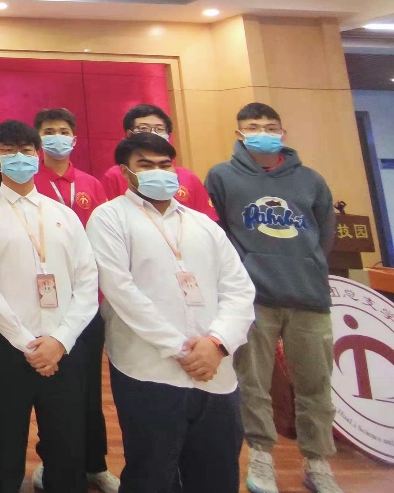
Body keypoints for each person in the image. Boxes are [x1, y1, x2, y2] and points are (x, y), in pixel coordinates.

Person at [86, 133, 256, 493]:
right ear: (125, 172)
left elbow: (239, 289)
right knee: (151, 475)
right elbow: (121, 292)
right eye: (145, 165)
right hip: (148, 370)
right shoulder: (109, 218)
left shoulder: (203, 224)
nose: (158, 172)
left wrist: (217, 343)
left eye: (165, 165)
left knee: (217, 475)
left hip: (216, 372)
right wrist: (181, 349)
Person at [205, 103, 342, 493]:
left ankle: (317, 462)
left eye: (270, 126)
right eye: (253, 127)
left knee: (315, 385)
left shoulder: (311, 180)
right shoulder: (221, 176)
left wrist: (306, 265)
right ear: (239, 134)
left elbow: (325, 234)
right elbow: (217, 233)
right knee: (252, 383)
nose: (263, 132)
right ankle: (261, 456)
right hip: (252, 299)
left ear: (283, 132)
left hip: (308, 296)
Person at [0, 121, 98, 493]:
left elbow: (87, 281)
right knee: (3, 445)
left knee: (67, 445)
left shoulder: (63, 214)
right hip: (9, 347)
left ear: (38, 156)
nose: (19, 158)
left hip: (64, 347)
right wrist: (26, 342)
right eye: (9, 151)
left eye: (26, 150)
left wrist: (60, 339)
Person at [28, 109, 116, 493]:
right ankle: (53, 463)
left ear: (75, 139)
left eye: (64, 131)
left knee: (89, 389)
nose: (57, 137)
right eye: (49, 131)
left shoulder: (91, 185)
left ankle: (96, 464)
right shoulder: (28, 182)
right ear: (38, 140)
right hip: (42, 306)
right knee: (50, 393)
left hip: (86, 303)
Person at [99, 105, 218, 220]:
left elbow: (207, 219)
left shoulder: (188, 177)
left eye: (159, 129)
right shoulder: (115, 175)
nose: (152, 133)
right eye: (143, 128)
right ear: (129, 134)